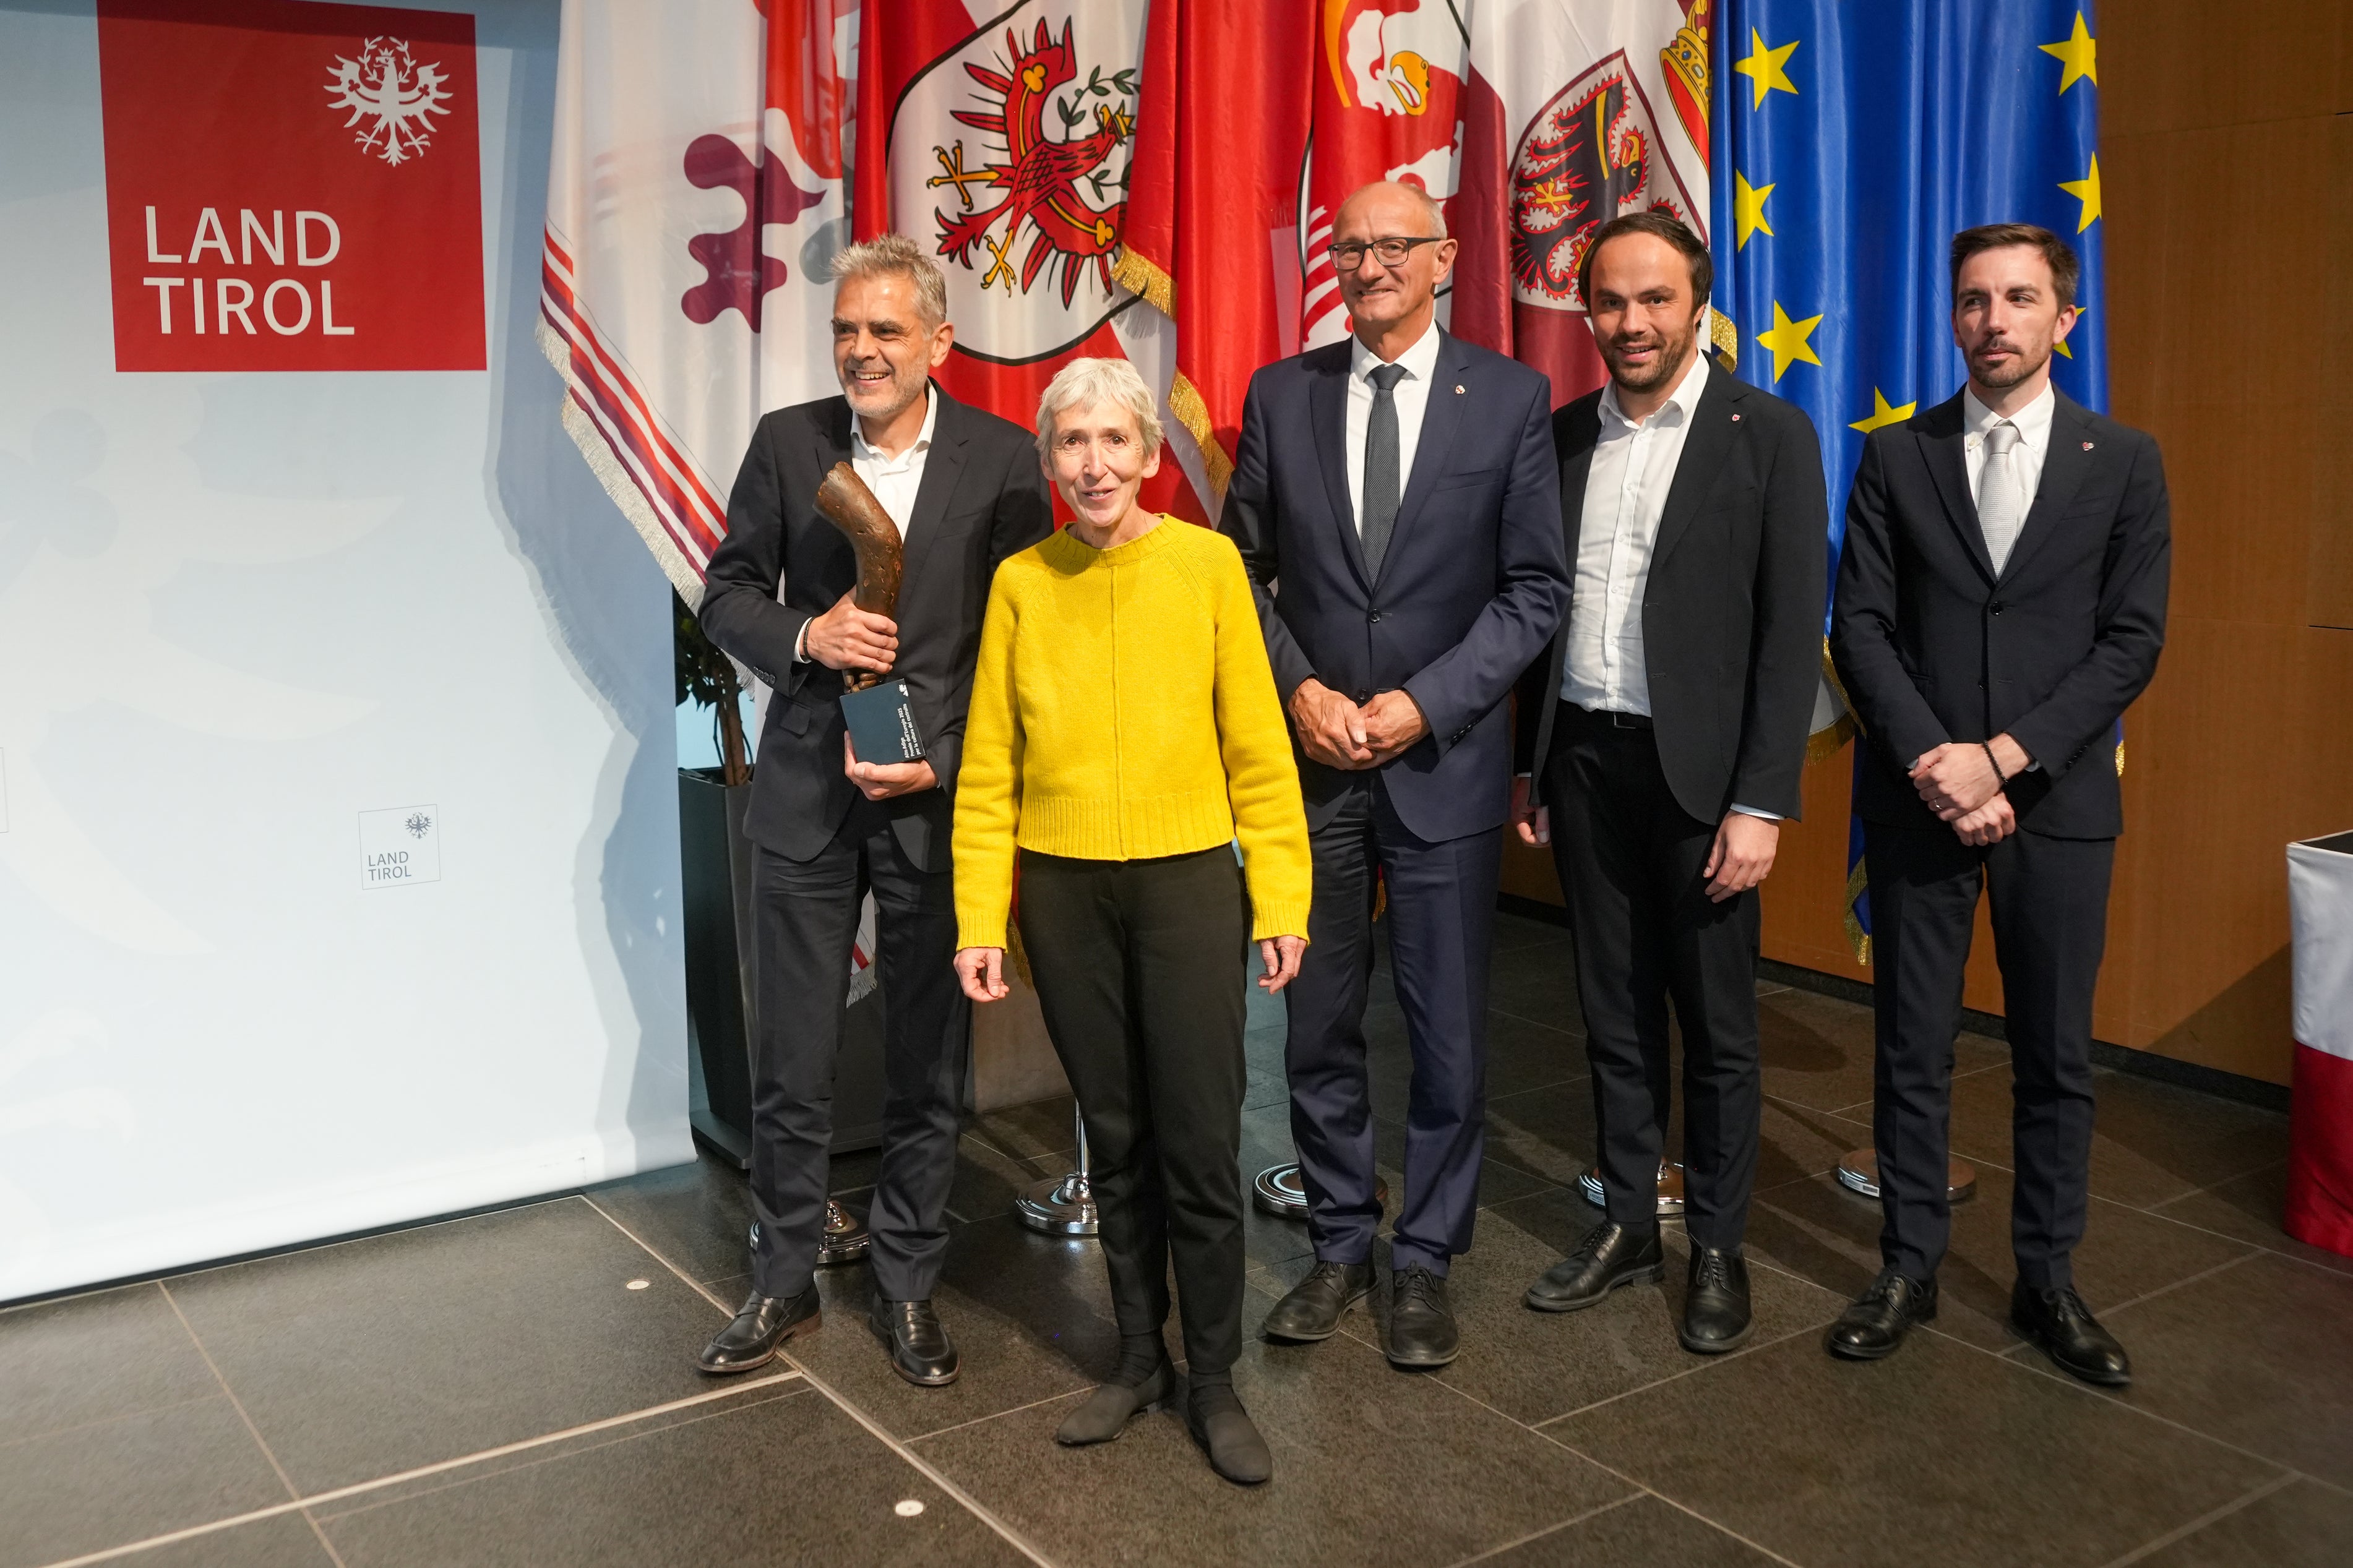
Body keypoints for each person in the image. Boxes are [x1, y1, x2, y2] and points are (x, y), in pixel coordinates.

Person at [694, 235, 1052, 1386]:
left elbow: (1018, 640)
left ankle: (906, 1283)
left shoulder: (1003, 461)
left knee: (925, 1055)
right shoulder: (786, 443)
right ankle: (782, 1273)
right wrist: (809, 636)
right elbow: (726, 595)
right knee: (791, 1054)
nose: (861, 350)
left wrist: (944, 761)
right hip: (802, 790)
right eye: (847, 329)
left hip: (931, 803)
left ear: (939, 341)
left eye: (887, 330)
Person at [1224, 180, 1569, 1368]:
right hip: (1312, 767)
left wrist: (1426, 703)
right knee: (1316, 1024)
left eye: (1393, 246)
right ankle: (1335, 1245)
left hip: (1446, 766)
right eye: (1351, 246)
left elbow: (1536, 592)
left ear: (1443, 257)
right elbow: (1240, 576)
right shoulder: (1284, 393)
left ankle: (1423, 1261)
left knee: (1447, 1034)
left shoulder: (1511, 401)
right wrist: (1302, 691)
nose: (1368, 264)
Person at [951, 357, 1311, 1486]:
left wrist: (1283, 895)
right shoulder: (1022, 582)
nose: (1094, 464)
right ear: (1048, 458)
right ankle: (1137, 1359)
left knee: (1199, 1139)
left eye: (1116, 441)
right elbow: (989, 765)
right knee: (1114, 1136)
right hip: (1061, 892)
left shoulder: (1205, 566)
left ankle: (1212, 1378)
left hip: (1189, 884)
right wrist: (978, 917)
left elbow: (1259, 742)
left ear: (1152, 454)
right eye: (1072, 443)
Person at [1828, 223, 2169, 1384]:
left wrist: (2007, 758)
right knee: (1911, 1048)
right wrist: (1940, 760)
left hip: (2061, 804)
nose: (1994, 321)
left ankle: (2049, 1280)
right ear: (1955, 317)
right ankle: (1909, 1262)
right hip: (1922, 800)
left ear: (2063, 319)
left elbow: (2132, 643)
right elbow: (1860, 629)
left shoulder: (2125, 461)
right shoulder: (1895, 456)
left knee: (2054, 1054)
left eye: (2020, 299)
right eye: (1974, 300)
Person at [1508, 213, 1826, 1353]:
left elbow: (1793, 633)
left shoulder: (1770, 435)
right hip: (1587, 763)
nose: (1632, 324)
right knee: (1611, 1011)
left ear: (1697, 305)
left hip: (1707, 784)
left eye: (1655, 300)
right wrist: (1530, 763)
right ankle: (1630, 1221)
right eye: (1610, 302)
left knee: (1718, 1023)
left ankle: (1721, 1249)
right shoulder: (1555, 439)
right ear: (1586, 311)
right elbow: (1536, 615)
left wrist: (1761, 800)